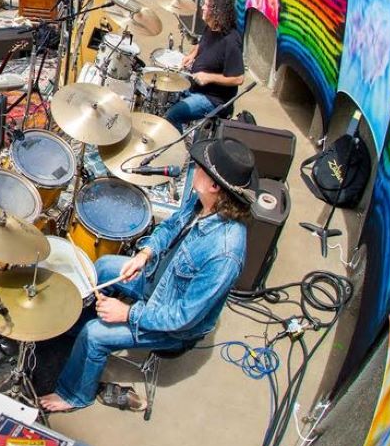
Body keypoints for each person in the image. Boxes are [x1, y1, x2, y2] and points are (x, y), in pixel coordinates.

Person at [39, 136, 254, 413]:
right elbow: (169, 229)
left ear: (215, 185)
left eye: (200, 167)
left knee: (95, 333)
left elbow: (183, 318)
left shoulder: (225, 253)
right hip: (159, 281)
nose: (193, 169)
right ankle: (71, 328)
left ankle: (75, 394)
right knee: (103, 267)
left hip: (173, 327)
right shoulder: (204, 201)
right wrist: (145, 254)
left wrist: (127, 313)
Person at [164, 0, 245, 132]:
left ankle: (178, 150)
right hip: (195, 86)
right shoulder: (211, 27)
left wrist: (209, 77)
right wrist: (192, 54)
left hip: (213, 100)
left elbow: (238, 78)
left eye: (206, 5)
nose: (202, 7)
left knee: (172, 115)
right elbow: (202, 44)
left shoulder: (231, 41)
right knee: (165, 91)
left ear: (216, 11)